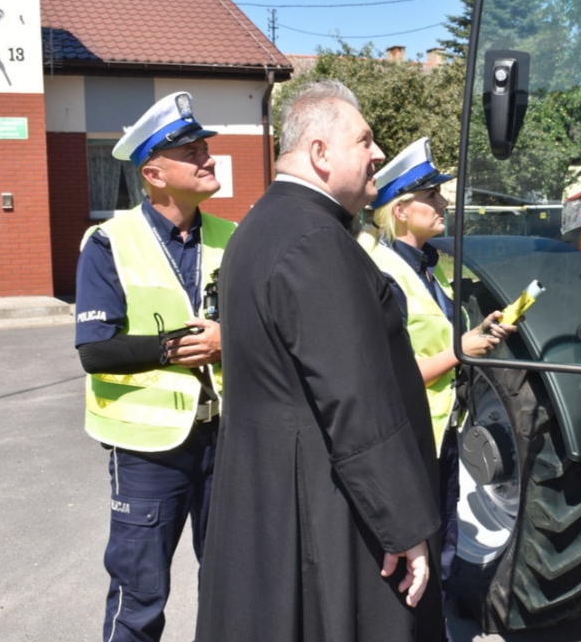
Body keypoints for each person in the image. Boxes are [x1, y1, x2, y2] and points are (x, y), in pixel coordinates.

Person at [195, 80, 444, 642]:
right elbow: (355, 400)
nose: (377, 153)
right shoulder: (315, 241)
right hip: (325, 509)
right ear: (320, 154)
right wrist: (404, 525)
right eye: (365, 140)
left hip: (276, 495)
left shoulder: (262, 225)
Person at [73, 91, 234, 642]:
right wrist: (170, 348)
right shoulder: (108, 242)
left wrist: (228, 339)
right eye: (192, 152)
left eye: (205, 148)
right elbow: (94, 350)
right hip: (148, 453)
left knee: (231, 586)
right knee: (140, 595)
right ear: (154, 173)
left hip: (226, 439)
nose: (208, 158)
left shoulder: (232, 238)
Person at [359, 137, 517, 608]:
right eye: (431, 196)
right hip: (406, 436)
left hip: (439, 432)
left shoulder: (428, 267)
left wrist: (481, 333)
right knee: (413, 557)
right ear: (402, 209)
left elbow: (444, 340)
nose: (443, 202)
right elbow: (385, 375)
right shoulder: (383, 272)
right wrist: (460, 350)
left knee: (441, 549)